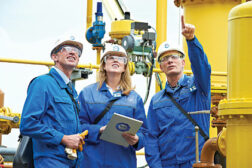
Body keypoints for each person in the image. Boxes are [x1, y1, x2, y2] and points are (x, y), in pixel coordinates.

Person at [145, 16, 211, 168]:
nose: (170, 60)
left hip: (198, 163)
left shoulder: (199, 88)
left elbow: (202, 66)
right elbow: (151, 137)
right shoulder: (156, 101)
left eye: (175, 56)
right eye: (165, 58)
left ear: (183, 63)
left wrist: (191, 40)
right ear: (161, 67)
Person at [78, 44, 148, 168]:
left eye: (121, 58)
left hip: (123, 162)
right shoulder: (87, 94)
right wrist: (98, 130)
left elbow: (145, 132)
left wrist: (137, 139)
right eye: (110, 57)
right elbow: (77, 127)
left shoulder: (134, 99)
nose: (115, 60)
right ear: (104, 65)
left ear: (125, 67)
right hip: (92, 162)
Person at [20, 35, 85, 168]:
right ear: (54, 57)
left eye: (77, 51)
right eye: (66, 48)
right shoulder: (42, 83)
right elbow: (28, 124)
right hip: (50, 161)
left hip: (73, 162)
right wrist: (63, 138)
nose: (73, 52)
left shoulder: (71, 91)